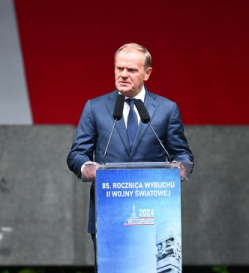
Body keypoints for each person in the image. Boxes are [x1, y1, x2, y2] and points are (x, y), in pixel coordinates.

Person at [67, 43, 194, 235]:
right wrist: (88, 167)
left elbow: (182, 153)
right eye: (120, 68)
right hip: (107, 211)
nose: (124, 74)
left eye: (132, 70)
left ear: (147, 73)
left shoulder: (167, 109)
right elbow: (77, 154)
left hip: (153, 213)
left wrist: (181, 167)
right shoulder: (95, 107)